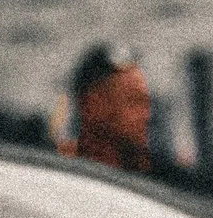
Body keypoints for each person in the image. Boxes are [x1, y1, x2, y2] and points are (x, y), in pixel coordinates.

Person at [63, 43, 155, 175]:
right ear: (93, 105)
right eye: (134, 102)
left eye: (146, 103)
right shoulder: (61, 173)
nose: (146, 114)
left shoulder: (159, 174)